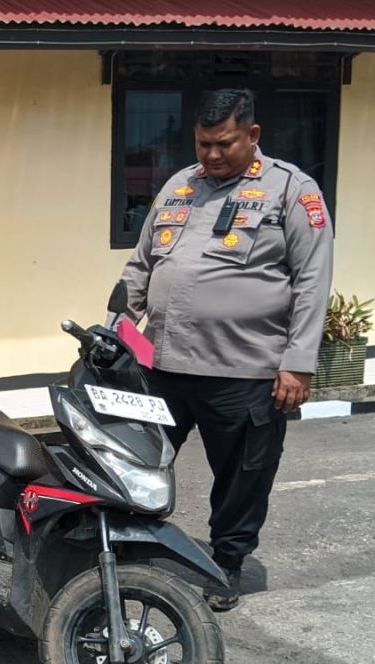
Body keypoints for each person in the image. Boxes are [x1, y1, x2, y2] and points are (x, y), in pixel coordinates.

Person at [119, 89, 333, 611]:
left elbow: (311, 282)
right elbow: (141, 266)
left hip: (243, 372)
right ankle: (124, 546)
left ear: (252, 135)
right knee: (131, 459)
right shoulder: (178, 186)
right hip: (163, 363)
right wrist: (116, 331)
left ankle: (226, 563)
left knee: (241, 477)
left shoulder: (291, 191)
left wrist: (297, 364)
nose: (211, 155)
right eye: (202, 143)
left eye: (224, 144)